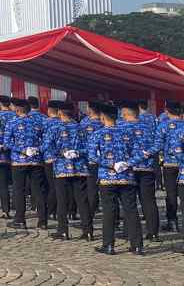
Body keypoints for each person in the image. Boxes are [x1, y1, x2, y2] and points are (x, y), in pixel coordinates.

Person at [91, 101, 144, 255]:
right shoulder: (127, 133)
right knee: (131, 210)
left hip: (107, 177)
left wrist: (111, 165)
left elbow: (93, 156)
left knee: (109, 211)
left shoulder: (97, 134)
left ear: (102, 117)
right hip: (126, 176)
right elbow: (139, 153)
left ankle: (108, 245)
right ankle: (137, 245)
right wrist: (126, 164)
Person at [48, 101, 92, 240]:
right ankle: (88, 230)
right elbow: (89, 148)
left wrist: (61, 153)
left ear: (60, 113)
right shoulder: (80, 127)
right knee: (82, 200)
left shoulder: (54, 128)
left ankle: (63, 230)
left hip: (62, 167)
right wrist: (77, 152)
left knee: (62, 200)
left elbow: (47, 147)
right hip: (79, 167)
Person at [119, 100, 160, 242]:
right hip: (147, 167)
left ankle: (129, 232)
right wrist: (146, 155)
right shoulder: (148, 127)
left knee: (129, 202)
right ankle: (153, 232)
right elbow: (156, 146)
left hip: (128, 168)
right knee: (148, 200)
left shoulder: (121, 127)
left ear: (125, 113)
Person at [4, 98, 47, 230]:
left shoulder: (12, 123)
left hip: (19, 160)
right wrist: (37, 149)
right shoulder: (38, 122)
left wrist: (22, 150)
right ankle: (43, 221)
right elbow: (45, 140)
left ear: (17, 109)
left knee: (19, 190)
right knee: (38, 191)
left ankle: (20, 219)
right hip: (35, 160)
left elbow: (7, 143)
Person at [156, 101, 183, 232]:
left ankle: (173, 222)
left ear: (167, 112)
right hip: (183, 165)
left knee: (171, 194)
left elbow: (158, 145)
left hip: (169, 163)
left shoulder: (163, 126)